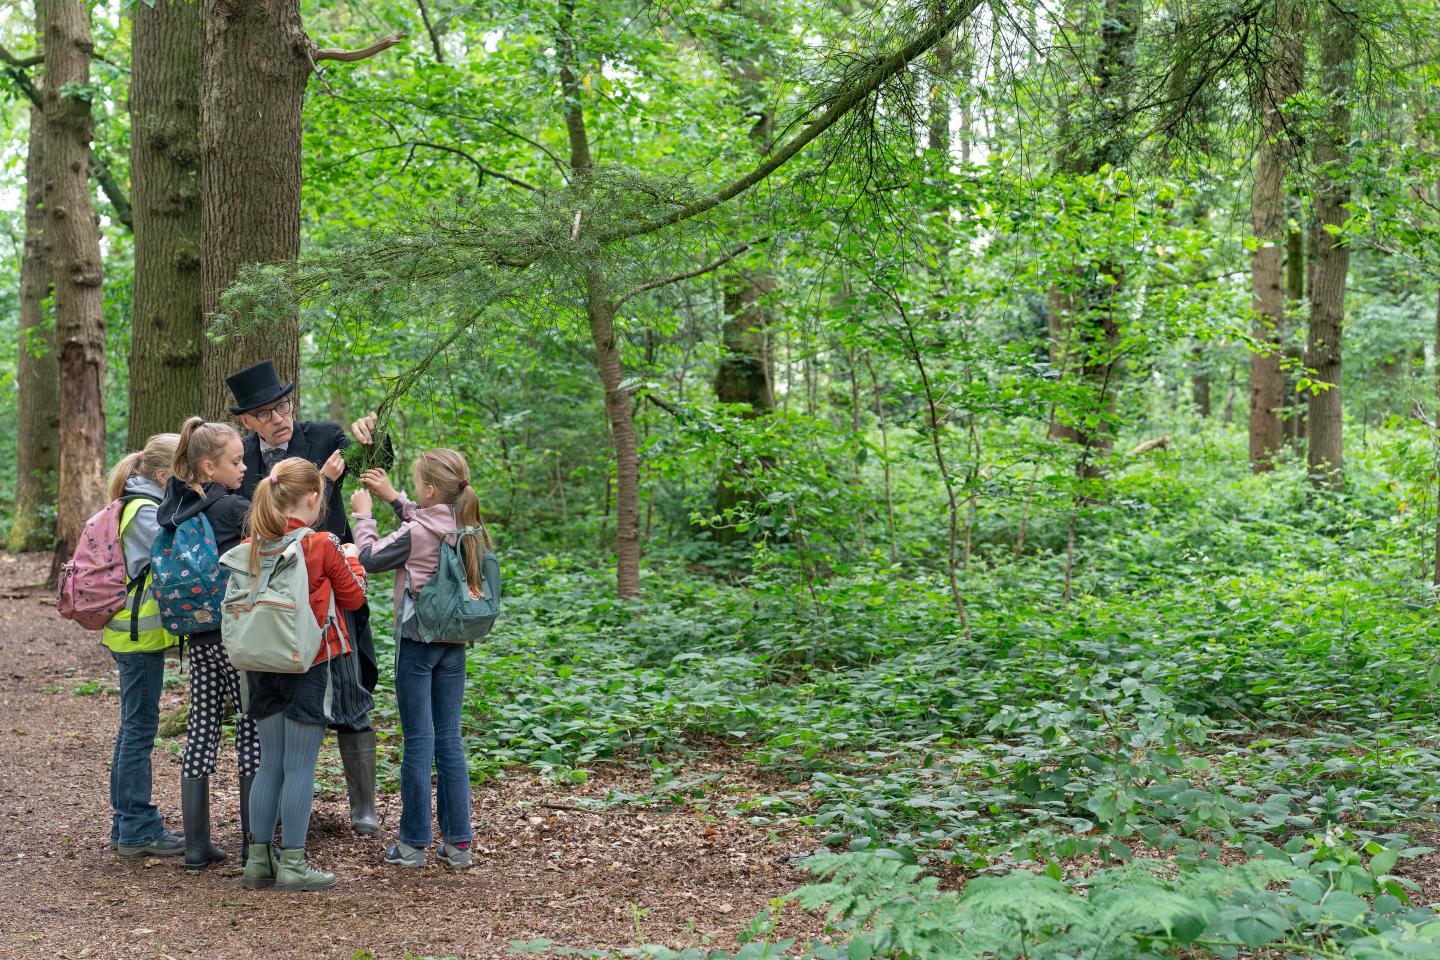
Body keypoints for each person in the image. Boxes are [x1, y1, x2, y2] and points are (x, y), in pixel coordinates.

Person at [223, 359, 381, 838]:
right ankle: (278, 821)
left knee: (351, 691)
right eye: (266, 412)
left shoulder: (323, 435)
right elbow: (246, 528)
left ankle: (363, 808)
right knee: (276, 709)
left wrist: (372, 433)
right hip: (273, 609)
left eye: (283, 405)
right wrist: (324, 482)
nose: (279, 417)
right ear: (247, 420)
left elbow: (377, 463)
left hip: (331, 594)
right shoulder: (241, 462)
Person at [239, 457, 369, 892]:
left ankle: (258, 861)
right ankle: (293, 862)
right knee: (299, 766)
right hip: (307, 662)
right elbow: (352, 599)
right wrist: (355, 562)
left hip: (260, 662)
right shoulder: (320, 544)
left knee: (269, 763)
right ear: (313, 498)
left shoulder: (253, 542)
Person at [350, 449, 481, 870]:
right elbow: (422, 518)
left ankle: (412, 843)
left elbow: (369, 559)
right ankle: (459, 844)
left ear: (428, 490)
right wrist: (394, 498)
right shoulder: (468, 523)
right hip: (454, 642)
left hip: (418, 641)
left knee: (419, 742)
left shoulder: (417, 533)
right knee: (450, 740)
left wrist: (364, 516)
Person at [156, 417, 260, 869]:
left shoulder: (177, 508)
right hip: (235, 634)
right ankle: (255, 843)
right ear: (208, 465)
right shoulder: (233, 509)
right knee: (251, 725)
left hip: (198, 635)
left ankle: (196, 845)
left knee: (202, 724)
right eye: (235, 461)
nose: (243, 468)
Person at [104, 434, 184, 858]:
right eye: (183, 471)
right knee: (138, 728)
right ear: (162, 475)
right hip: (136, 634)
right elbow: (174, 554)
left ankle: (127, 823)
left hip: (135, 632)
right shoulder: (145, 511)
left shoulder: (141, 504)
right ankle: (136, 826)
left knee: (133, 726)